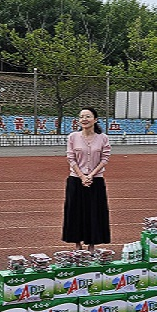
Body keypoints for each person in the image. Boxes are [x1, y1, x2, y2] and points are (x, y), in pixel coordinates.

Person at [62, 107, 111, 251]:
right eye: (81, 116)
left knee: (94, 212)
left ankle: (91, 245)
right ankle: (77, 245)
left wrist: (91, 175)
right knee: (75, 212)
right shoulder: (73, 137)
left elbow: (104, 158)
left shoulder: (103, 138)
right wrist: (82, 176)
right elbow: (71, 158)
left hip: (96, 180)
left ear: (95, 120)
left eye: (88, 116)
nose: (84, 119)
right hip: (76, 180)